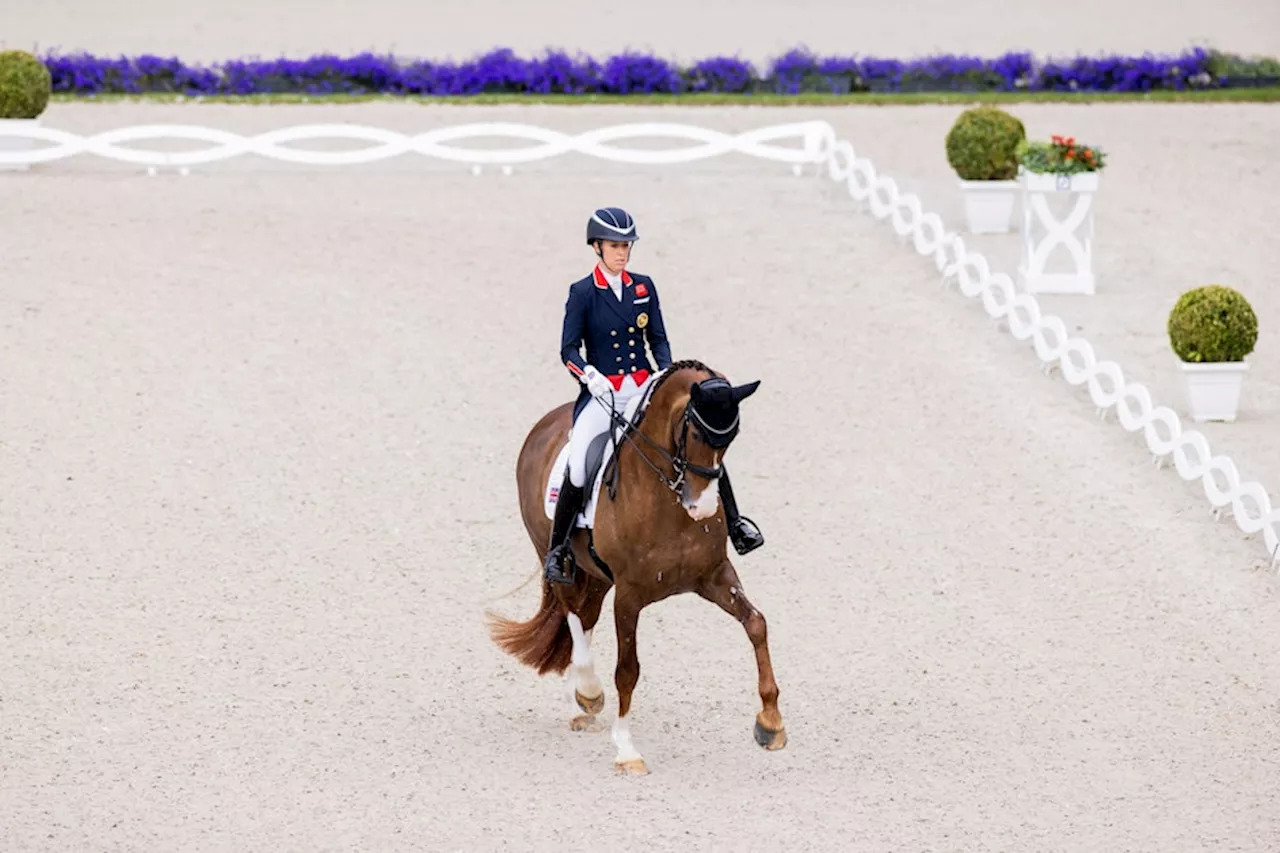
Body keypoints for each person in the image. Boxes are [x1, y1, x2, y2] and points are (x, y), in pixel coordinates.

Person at [543, 206, 765, 585]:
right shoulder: (582, 292)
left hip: (644, 386)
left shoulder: (643, 287)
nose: (622, 253)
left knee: (698, 440)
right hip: (604, 392)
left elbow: (657, 338)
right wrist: (589, 375)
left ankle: (737, 522)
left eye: (627, 246)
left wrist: (663, 374)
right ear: (596, 247)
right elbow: (568, 350)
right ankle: (560, 549)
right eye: (615, 246)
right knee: (579, 460)